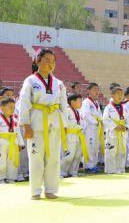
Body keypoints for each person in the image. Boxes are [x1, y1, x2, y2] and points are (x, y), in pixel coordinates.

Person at [19, 48, 69, 200]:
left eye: (53, 61)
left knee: (53, 158)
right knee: (36, 158)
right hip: (36, 124)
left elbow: (63, 106)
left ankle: (50, 189)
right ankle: (35, 191)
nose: (50, 63)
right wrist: (25, 124)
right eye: (46, 60)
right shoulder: (30, 81)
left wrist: (64, 125)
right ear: (37, 61)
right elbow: (24, 103)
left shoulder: (59, 84)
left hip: (54, 123)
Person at [103, 87, 129, 174]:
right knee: (111, 152)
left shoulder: (124, 107)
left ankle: (121, 169)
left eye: (121, 94)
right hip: (112, 133)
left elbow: (128, 119)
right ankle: (110, 170)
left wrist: (126, 126)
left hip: (122, 132)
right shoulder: (108, 107)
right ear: (112, 95)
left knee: (122, 151)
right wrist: (115, 126)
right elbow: (105, 119)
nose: (120, 96)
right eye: (117, 93)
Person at [61, 93, 88, 177]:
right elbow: (66, 124)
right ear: (72, 102)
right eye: (79, 101)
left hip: (79, 135)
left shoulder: (78, 112)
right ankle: (62, 172)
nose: (81, 103)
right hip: (70, 135)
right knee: (69, 155)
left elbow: (83, 123)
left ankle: (73, 172)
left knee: (77, 155)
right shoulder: (67, 111)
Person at [0, 97, 25, 183]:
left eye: (13, 107)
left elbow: (18, 131)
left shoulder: (14, 119)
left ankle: (11, 178)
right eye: (10, 107)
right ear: (2, 107)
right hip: (2, 142)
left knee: (12, 161)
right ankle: (1, 178)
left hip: (13, 142)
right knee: (1, 160)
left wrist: (21, 143)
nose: (12, 109)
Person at [81, 83, 103, 173]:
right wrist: (95, 122)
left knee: (95, 147)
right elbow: (85, 114)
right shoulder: (86, 102)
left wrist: (100, 122)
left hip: (97, 127)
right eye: (94, 89)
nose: (97, 92)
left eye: (97, 89)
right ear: (88, 91)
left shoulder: (96, 102)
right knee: (89, 146)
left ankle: (93, 164)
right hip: (90, 127)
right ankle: (88, 166)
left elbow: (99, 115)